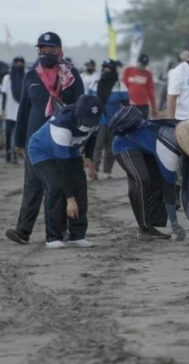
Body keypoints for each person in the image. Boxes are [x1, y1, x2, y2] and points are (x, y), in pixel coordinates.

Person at [6, 32, 85, 245]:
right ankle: (23, 230)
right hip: (35, 141)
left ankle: (67, 231)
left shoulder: (71, 76)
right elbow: (23, 110)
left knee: (62, 184)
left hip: (64, 139)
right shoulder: (31, 76)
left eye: (50, 49)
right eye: (42, 49)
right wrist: (18, 141)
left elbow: (81, 107)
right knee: (32, 185)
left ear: (59, 50)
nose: (46, 53)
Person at [110, 106, 189, 241]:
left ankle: (152, 223)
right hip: (124, 145)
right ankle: (145, 229)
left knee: (157, 182)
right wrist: (175, 224)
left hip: (145, 148)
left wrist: (174, 224)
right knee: (142, 181)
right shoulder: (171, 148)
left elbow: (167, 186)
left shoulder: (178, 133)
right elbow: (169, 188)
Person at [27, 95, 102, 248]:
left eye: (92, 120)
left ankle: (77, 235)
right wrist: (70, 200)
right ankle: (53, 236)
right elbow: (63, 168)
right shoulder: (61, 125)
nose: (90, 123)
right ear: (78, 113)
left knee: (80, 184)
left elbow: (93, 136)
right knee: (56, 186)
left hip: (70, 149)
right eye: (86, 119)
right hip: (42, 151)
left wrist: (89, 157)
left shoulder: (96, 118)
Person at [87, 59, 129, 179]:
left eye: (109, 68)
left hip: (114, 122)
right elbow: (88, 102)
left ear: (113, 70)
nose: (106, 70)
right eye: (104, 67)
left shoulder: (120, 85)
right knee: (96, 147)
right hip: (97, 122)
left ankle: (107, 172)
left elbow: (126, 105)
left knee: (111, 147)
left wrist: (123, 122)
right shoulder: (94, 84)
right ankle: (93, 171)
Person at [1, 56, 25, 163]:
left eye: (21, 62)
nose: (19, 64)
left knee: (16, 135)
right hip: (8, 112)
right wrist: (2, 111)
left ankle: (15, 155)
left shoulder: (25, 77)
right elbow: (4, 95)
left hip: (19, 112)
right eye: (17, 62)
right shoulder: (7, 78)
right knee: (7, 134)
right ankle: (8, 154)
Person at [123, 53, 158, 119]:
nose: (143, 67)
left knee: (143, 123)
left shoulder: (148, 74)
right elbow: (124, 86)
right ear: (137, 62)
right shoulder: (128, 71)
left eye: (144, 65)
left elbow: (151, 91)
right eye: (141, 64)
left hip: (143, 105)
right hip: (130, 104)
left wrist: (154, 107)